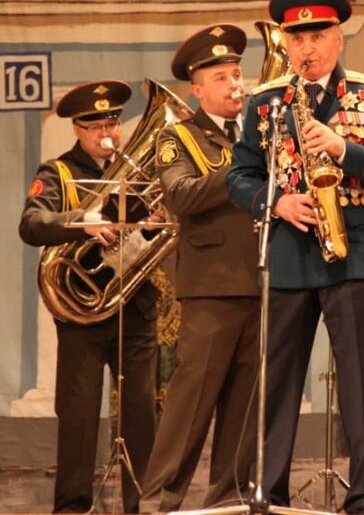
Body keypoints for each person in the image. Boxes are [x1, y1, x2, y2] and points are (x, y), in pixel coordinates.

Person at [226, 0, 364, 515]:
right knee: (279, 382)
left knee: (361, 382)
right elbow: (239, 176)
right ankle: (272, 493)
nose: (306, 48)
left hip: (355, 257)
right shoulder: (266, 102)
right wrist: (275, 202)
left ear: (338, 38)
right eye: (296, 37)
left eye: (317, 36)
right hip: (289, 253)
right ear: (284, 41)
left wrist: (343, 149)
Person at [19, 80, 158, 514]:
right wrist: (81, 221)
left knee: (141, 414)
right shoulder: (56, 173)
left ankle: (144, 503)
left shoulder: (138, 172)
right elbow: (31, 224)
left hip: (134, 309)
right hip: (82, 314)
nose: (108, 134)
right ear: (77, 129)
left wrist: (152, 225)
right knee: (77, 416)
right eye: (96, 126)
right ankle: (72, 506)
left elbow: (150, 231)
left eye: (113, 123)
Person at [141, 25, 259, 509]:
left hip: (263, 281)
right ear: (198, 88)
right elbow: (181, 195)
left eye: (237, 73)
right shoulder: (178, 137)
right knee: (191, 403)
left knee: (246, 407)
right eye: (221, 77)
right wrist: (241, 164)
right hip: (211, 286)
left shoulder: (256, 134)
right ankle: (159, 501)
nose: (235, 84)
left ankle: (228, 498)